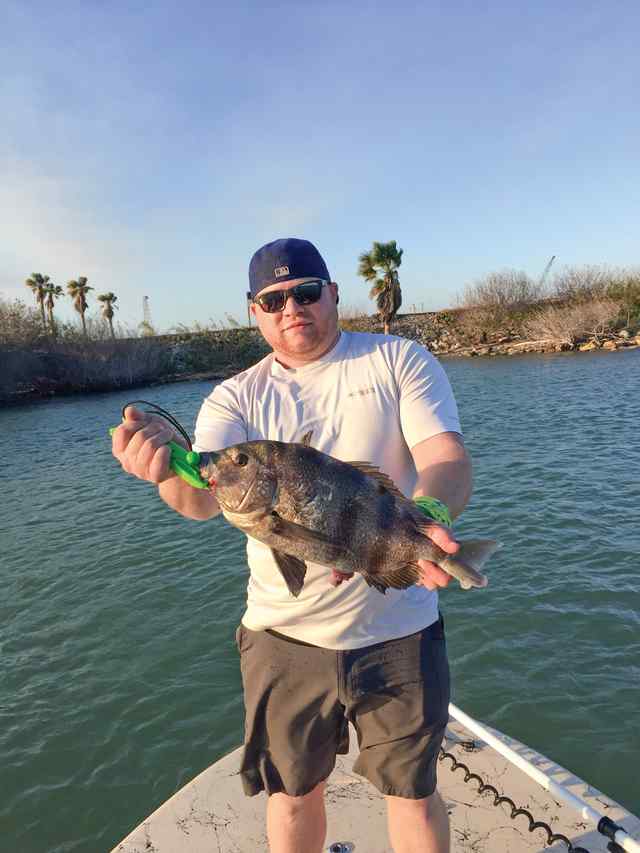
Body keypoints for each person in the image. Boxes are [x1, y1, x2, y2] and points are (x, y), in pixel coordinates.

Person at [112, 238, 472, 853]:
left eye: (306, 292)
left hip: (400, 628)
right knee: (292, 793)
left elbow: (445, 458)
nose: (291, 307)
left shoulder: (397, 360)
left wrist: (430, 513)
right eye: (273, 299)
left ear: (332, 294)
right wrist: (167, 472)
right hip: (282, 637)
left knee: (412, 792)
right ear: (255, 311)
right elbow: (204, 498)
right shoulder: (234, 397)